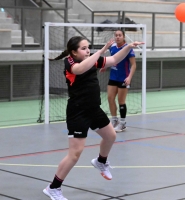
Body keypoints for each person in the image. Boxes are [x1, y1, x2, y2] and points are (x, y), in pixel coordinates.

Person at [43, 36, 144, 200]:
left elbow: (114, 59)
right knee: (75, 154)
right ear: (74, 52)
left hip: (93, 109)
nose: (87, 50)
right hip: (78, 112)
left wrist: (128, 47)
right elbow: (80, 69)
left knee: (111, 135)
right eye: (83, 48)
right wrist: (101, 51)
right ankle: (53, 188)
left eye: (88, 47)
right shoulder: (70, 63)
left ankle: (101, 161)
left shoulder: (92, 60)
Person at [100, 30, 136, 132]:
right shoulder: (113, 47)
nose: (118, 37)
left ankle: (123, 123)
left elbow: (133, 65)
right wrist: (106, 66)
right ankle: (114, 120)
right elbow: (113, 60)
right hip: (113, 77)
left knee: (121, 101)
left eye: (120, 35)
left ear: (124, 37)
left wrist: (129, 77)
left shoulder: (128, 48)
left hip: (123, 78)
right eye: (116, 35)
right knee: (110, 98)